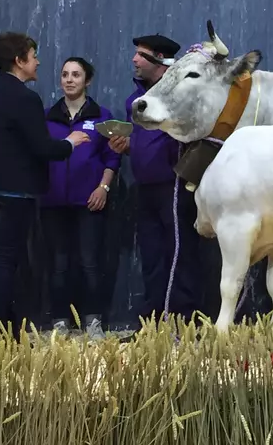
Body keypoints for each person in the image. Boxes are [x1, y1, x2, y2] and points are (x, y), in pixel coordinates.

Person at [0, 32, 90, 341]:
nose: (37, 62)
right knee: (8, 260)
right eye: (33, 56)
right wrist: (70, 143)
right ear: (19, 61)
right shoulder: (25, 98)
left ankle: (1, 326)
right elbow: (42, 148)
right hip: (15, 192)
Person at [108, 34, 203, 326]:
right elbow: (141, 140)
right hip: (145, 186)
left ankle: (184, 321)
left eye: (141, 54)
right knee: (151, 256)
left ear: (159, 61)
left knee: (178, 252)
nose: (134, 60)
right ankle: (153, 321)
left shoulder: (179, 94)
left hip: (173, 184)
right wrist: (126, 146)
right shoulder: (135, 99)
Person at [40, 56, 121, 339]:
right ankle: (60, 321)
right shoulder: (47, 116)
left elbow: (113, 157)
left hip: (90, 201)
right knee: (58, 264)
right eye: (65, 74)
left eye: (76, 75)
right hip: (53, 202)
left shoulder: (102, 116)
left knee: (90, 262)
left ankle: (93, 321)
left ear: (87, 80)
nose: (69, 80)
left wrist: (103, 188)